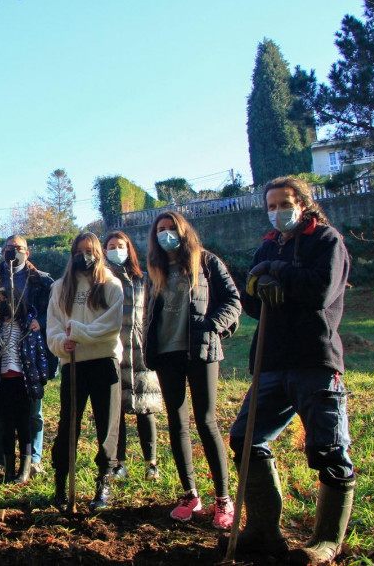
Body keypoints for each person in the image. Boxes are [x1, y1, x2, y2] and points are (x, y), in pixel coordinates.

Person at [227, 177, 354, 565]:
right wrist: (259, 279)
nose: (277, 210)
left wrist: (275, 270)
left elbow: (321, 291)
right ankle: (264, 530)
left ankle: (326, 541)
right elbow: (252, 303)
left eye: (285, 202)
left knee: (329, 449)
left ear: (302, 203)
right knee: (246, 440)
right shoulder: (267, 244)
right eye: (271, 205)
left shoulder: (326, 241)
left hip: (315, 360)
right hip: (270, 362)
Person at [144, 211, 241, 530]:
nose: (166, 234)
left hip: (200, 351)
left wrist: (212, 326)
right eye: (161, 230)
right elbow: (149, 315)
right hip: (166, 353)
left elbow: (232, 301)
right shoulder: (154, 270)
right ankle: (190, 494)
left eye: (171, 229)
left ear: (183, 231)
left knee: (207, 421)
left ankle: (224, 499)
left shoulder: (206, 262)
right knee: (177, 422)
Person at [47, 232, 124, 511]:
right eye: (78, 251)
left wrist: (79, 333)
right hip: (73, 363)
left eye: (89, 250)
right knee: (68, 424)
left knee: (107, 426)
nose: (84, 256)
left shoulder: (111, 285)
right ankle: (61, 484)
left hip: (104, 362)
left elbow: (111, 326)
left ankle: (103, 483)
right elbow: (53, 326)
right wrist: (61, 343)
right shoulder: (60, 287)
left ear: (98, 253)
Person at [0, 235, 55, 476]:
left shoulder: (42, 281)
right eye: (10, 248)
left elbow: (52, 312)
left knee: (33, 413)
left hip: (28, 353)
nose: (15, 252)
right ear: (3, 251)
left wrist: (40, 322)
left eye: (20, 248)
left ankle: (33, 460)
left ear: (28, 252)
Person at [104, 231, 162, 482]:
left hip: (141, 350)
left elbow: (153, 313)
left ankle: (151, 463)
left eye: (121, 245)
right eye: (111, 246)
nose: (116, 250)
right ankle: (120, 463)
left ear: (129, 249)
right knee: (115, 412)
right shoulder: (102, 280)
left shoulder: (144, 280)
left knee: (145, 408)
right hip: (113, 349)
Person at [0, 288, 48, 484]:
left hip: (23, 382)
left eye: (6, 299)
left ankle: (25, 468)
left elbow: (40, 353)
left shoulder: (28, 326)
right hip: (2, 382)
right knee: (6, 425)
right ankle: (8, 469)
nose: (3, 302)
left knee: (24, 425)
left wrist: (41, 377)